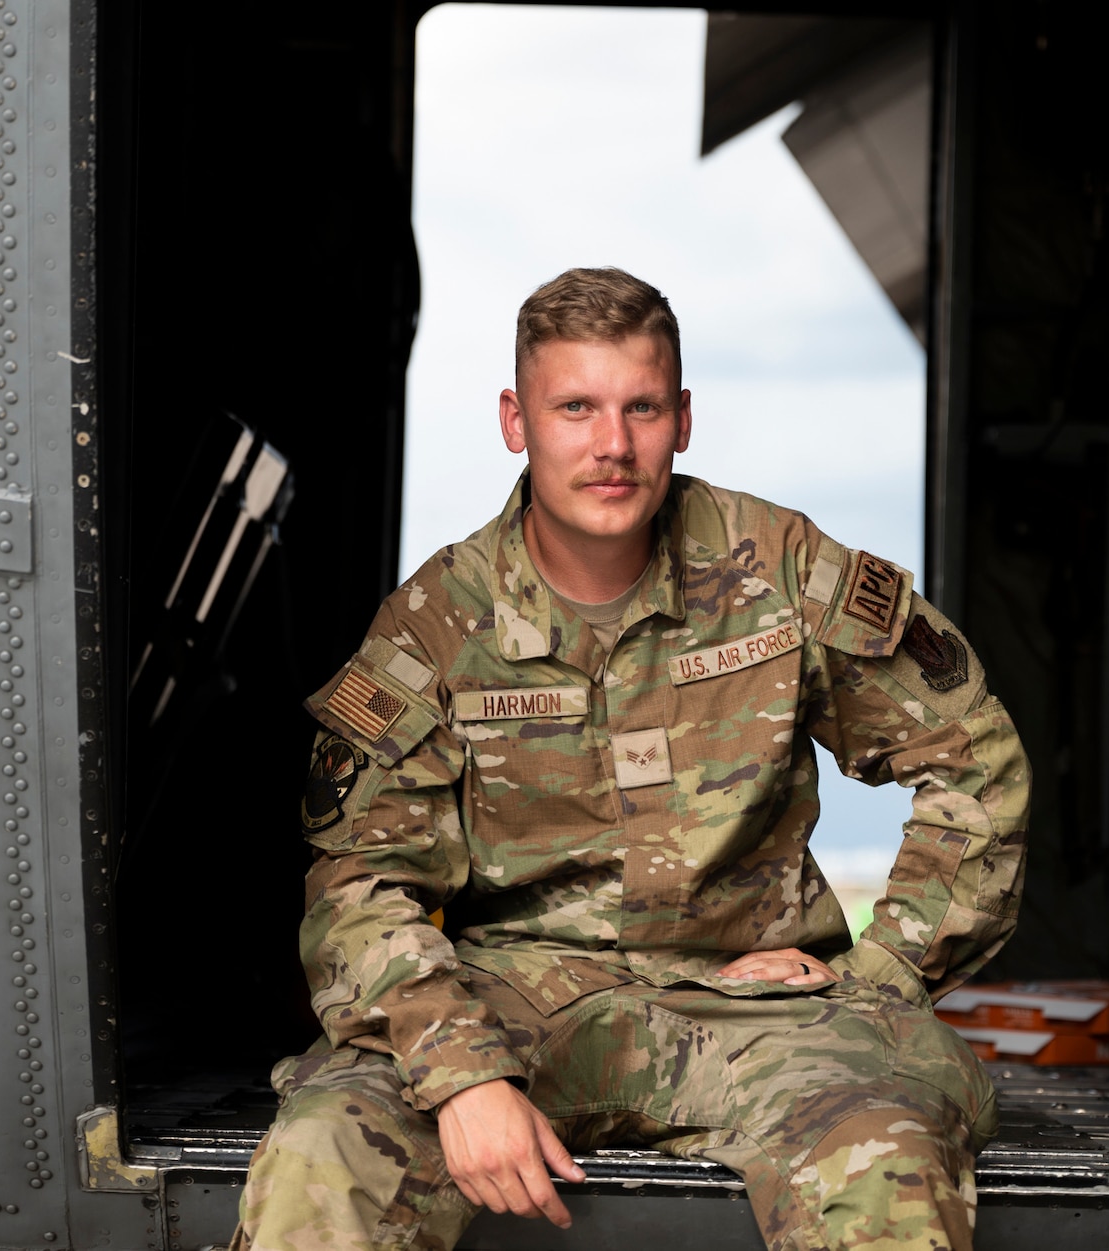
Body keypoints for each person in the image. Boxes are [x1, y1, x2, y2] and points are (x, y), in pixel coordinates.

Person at [233, 267, 1030, 1251]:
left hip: (757, 1008)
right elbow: (357, 877)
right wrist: (459, 1072)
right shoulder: (440, 619)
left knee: (883, 1153)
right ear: (514, 420)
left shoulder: (774, 567)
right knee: (329, 1145)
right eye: (574, 406)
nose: (611, 444)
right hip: (512, 999)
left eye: (639, 407)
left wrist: (879, 979)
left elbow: (971, 762)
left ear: (680, 417)